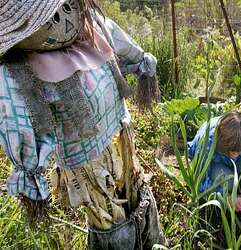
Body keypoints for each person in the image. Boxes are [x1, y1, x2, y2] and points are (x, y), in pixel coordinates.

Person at [0, 0, 165, 249]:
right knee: (106, 215)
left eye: (67, 8)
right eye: (49, 18)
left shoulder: (92, 31)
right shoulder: (18, 73)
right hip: (85, 160)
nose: (64, 21)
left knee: (135, 188)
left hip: (119, 133)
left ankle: (152, 239)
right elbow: (16, 121)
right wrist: (30, 171)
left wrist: (141, 60)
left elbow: (120, 41)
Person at [187, 110, 241, 212]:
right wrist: (227, 197)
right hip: (216, 165)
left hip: (238, 164)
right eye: (231, 150)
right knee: (226, 180)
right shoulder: (206, 142)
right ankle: (227, 199)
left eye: (239, 150)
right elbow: (201, 181)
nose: (234, 154)